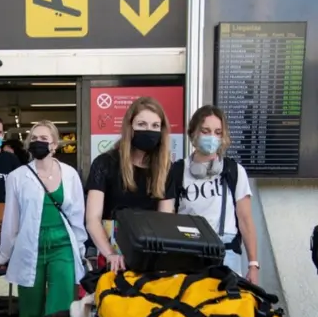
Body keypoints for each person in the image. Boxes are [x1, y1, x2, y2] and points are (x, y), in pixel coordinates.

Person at [0, 120, 88, 317]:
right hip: (30, 248)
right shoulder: (17, 177)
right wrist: (5, 254)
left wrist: (80, 249)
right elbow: (11, 220)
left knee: (60, 309)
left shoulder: (70, 174)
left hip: (63, 247)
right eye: (34, 138)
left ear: (54, 145)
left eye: (44, 139)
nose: (38, 142)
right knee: (30, 310)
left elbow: (77, 216)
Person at [159, 105, 259, 282]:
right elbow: (166, 218)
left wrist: (253, 264)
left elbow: (245, 219)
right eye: (205, 131)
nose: (212, 137)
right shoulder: (177, 171)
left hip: (226, 254)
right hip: (188, 253)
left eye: (218, 132)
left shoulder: (234, 171)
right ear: (194, 133)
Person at [85, 97, 173, 272]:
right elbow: (92, 219)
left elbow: (166, 219)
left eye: (155, 126)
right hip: (111, 254)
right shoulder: (105, 163)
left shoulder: (166, 168)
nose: (149, 130)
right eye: (142, 124)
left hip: (149, 253)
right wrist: (110, 254)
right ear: (130, 127)